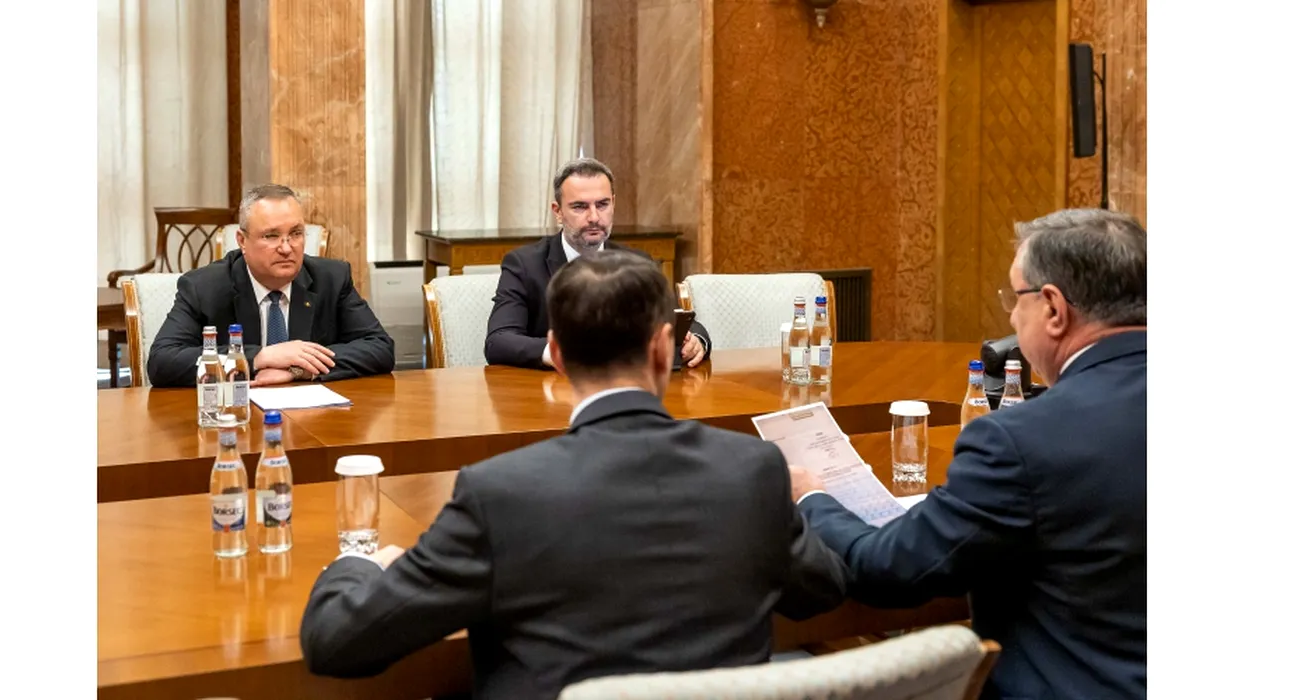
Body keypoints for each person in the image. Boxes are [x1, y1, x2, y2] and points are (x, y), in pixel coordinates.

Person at [301, 250, 847, 700]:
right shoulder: (753, 470)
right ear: (664, 349)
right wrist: (808, 502)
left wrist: (355, 563)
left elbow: (337, 642)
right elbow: (822, 591)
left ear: (557, 355)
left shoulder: (500, 493)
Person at [790, 208, 1147, 700]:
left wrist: (812, 498)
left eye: (1015, 297)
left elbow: (889, 569)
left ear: (1053, 309)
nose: (1011, 316)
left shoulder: (1021, 441)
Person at [146, 184, 395, 387]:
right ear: (242, 241)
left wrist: (298, 369)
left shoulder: (331, 278)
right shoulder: (204, 287)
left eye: (296, 234)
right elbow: (163, 361)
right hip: (236, 415)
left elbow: (380, 348)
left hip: (315, 416)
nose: (286, 248)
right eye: (271, 236)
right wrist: (258, 357)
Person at [484, 157, 713, 369]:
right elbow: (499, 341)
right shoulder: (524, 265)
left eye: (602, 204)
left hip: (626, 386)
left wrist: (697, 341)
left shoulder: (637, 263)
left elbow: (679, 321)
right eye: (580, 207)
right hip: (552, 389)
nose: (594, 217)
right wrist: (562, 352)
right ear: (558, 211)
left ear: (613, 203)